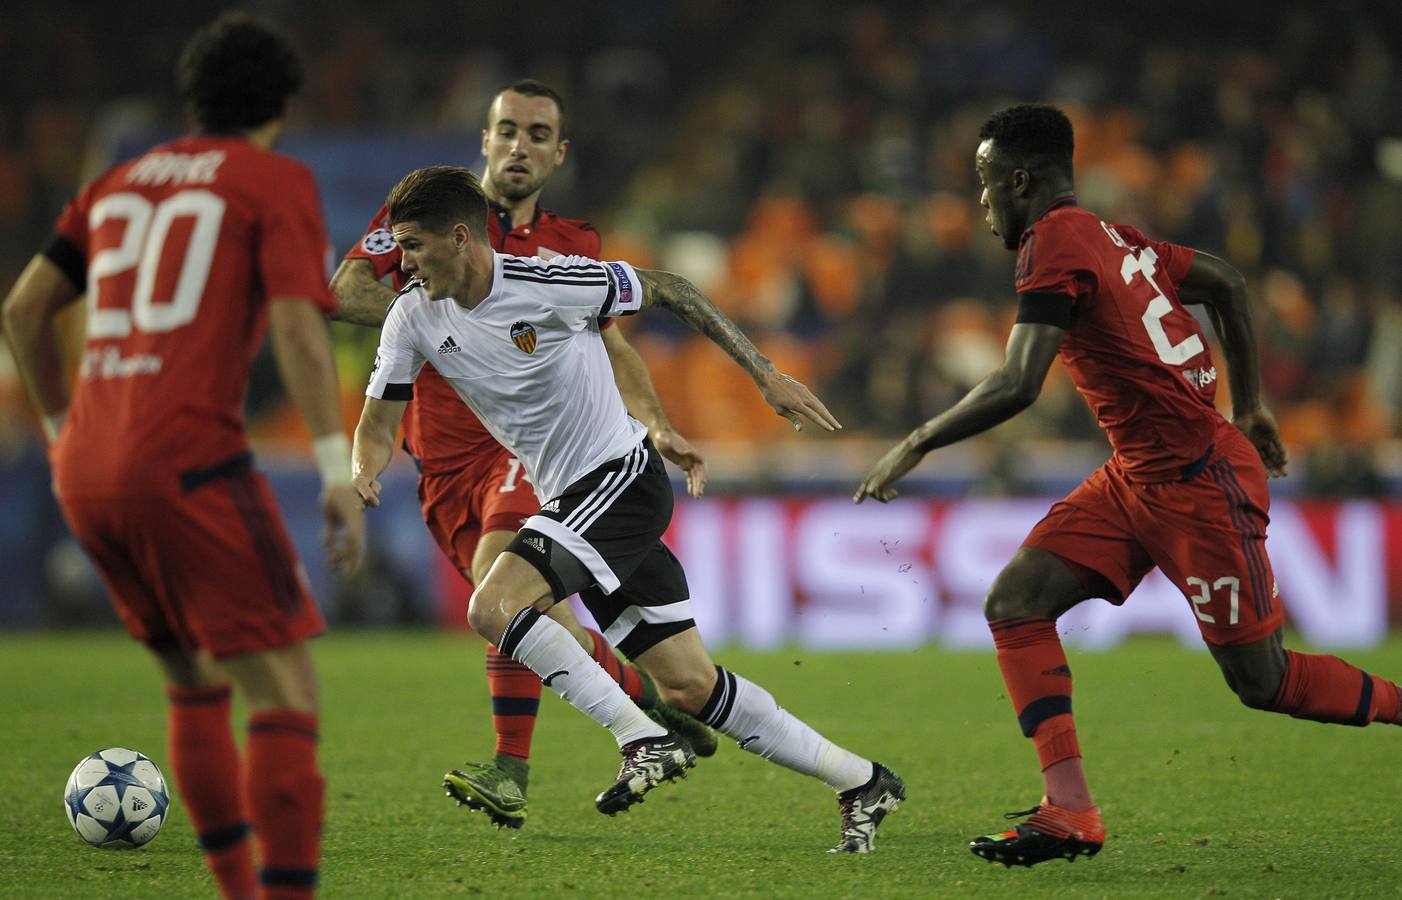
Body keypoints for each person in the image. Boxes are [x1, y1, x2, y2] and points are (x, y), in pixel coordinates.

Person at [854, 103, 1402, 867]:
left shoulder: (1052, 244)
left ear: (1020, 180)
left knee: (1264, 681)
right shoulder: (1114, 235)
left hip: (1200, 482)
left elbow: (1018, 384)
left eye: (984, 184)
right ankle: (1069, 810)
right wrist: (1253, 404)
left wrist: (914, 442)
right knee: (1016, 601)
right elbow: (1225, 282)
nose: (980, 202)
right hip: (1136, 476)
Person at [352, 165, 905, 853]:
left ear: (459, 238)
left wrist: (766, 375)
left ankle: (639, 738)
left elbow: (674, 289)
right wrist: (362, 466)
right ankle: (863, 782)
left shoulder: (550, 284)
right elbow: (378, 423)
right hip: (580, 496)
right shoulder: (412, 313)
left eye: (411, 245)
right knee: (689, 686)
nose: (400, 262)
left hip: (618, 478)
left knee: (493, 607)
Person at [2, 14, 363, 899]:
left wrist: (58, 434)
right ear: (281, 103)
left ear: (192, 97)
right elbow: (294, 323)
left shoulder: (112, 183)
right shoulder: (272, 180)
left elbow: (21, 312)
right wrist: (331, 466)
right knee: (285, 687)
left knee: (191, 677)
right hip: (189, 458)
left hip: (89, 462)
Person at [329, 79, 714, 831]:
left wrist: (656, 422)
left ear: (557, 153)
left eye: (538, 134)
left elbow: (613, 344)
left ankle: (511, 769)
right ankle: (651, 708)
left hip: (525, 450)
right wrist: (446, 317)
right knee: (538, 620)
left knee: (499, 585)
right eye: (507, 129)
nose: (519, 145)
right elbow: (345, 290)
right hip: (440, 464)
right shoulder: (429, 224)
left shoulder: (574, 244)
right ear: (484, 138)